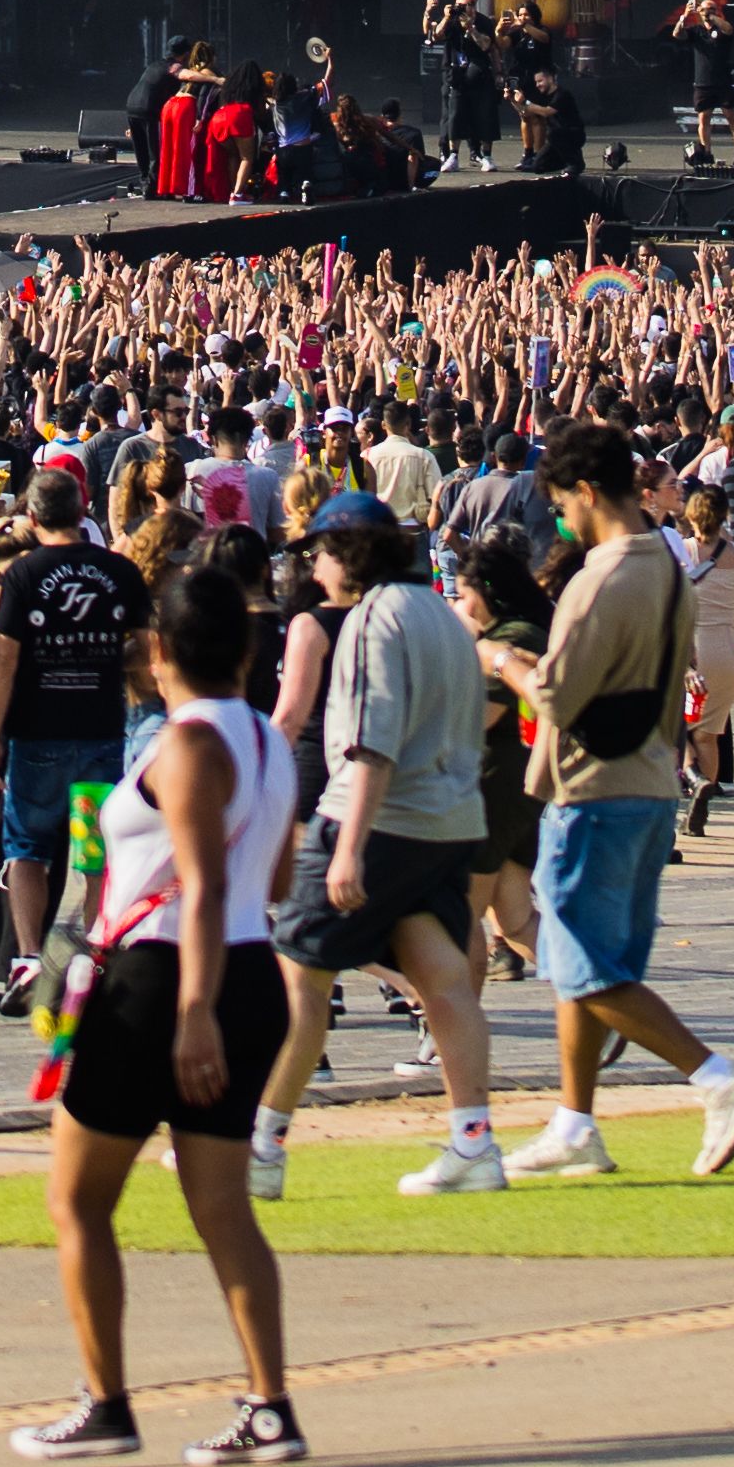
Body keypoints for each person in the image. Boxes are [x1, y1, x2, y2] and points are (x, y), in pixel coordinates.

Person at [26, 531, 311, 1467]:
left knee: (78, 1198)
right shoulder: (266, 738)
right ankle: (269, 1402)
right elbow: (266, 876)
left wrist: (192, 1012)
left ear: (157, 650)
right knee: (223, 1207)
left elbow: (199, 879)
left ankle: (106, 1398)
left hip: (162, 980)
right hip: (251, 974)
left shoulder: (186, 744)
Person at [511, 428, 734, 1181]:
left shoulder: (607, 575)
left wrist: (501, 661)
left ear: (587, 496)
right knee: (590, 968)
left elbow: (559, 696)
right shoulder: (666, 565)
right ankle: (575, 1123)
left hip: (592, 787)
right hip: (644, 784)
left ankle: (717, 1078)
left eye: (563, 505)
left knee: (584, 968)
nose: (562, 520)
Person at [303, 496, 516, 1194]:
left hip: (385, 817)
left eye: (321, 549)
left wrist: (347, 848)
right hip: (448, 818)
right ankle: (473, 1140)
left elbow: (371, 744)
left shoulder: (374, 620)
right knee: (445, 981)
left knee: (296, 970)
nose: (312, 562)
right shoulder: (442, 612)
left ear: (351, 552)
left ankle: (258, 1137)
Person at [0, 450, 145, 989]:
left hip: (38, 727)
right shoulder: (118, 569)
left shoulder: (23, 573)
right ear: (82, 508)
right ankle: (94, 945)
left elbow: (2, 658)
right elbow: (145, 647)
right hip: (101, 726)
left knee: (27, 847)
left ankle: (26, 956)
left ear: (33, 515)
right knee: (96, 847)